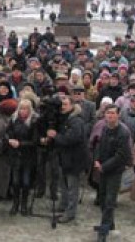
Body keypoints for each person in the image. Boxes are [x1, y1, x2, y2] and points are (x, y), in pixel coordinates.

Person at [94, 104, 132, 242]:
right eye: (107, 113)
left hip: (115, 171)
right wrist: (97, 160)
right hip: (103, 169)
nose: (109, 115)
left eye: (112, 113)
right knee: (103, 199)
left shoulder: (123, 132)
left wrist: (104, 166)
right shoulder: (104, 128)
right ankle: (110, 224)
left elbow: (121, 155)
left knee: (110, 201)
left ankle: (103, 232)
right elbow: (100, 146)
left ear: (118, 115)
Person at [49, 95, 88, 223]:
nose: (62, 107)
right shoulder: (65, 118)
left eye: (65, 104)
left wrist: (55, 136)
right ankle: (63, 205)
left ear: (72, 105)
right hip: (65, 158)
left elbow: (71, 139)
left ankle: (70, 213)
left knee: (72, 188)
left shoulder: (76, 121)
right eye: (62, 104)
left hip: (74, 159)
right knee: (64, 185)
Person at [7, 98, 39, 216]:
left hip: (28, 156)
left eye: (25, 109)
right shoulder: (13, 119)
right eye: (21, 108)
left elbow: (35, 141)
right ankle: (15, 204)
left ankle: (24, 204)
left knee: (26, 182)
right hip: (15, 155)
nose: (23, 111)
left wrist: (20, 143)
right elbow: (8, 132)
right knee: (15, 182)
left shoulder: (34, 121)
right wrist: (10, 140)